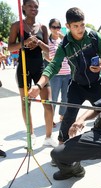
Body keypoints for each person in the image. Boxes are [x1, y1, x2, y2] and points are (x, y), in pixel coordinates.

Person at [28, 7, 101, 148]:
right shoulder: (64, 45)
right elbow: (53, 66)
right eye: (75, 26)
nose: (80, 29)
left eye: (82, 25)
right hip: (77, 85)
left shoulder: (94, 36)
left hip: (96, 83)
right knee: (68, 117)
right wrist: (38, 85)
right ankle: (61, 149)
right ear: (68, 26)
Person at [8, 0, 56, 147]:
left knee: (47, 103)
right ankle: (31, 134)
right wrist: (25, 42)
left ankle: (48, 137)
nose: (33, 8)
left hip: (40, 68)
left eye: (36, 6)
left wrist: (40, 43)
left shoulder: (42, 27)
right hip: (23, 68)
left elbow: (48, 52)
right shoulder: (17, 26)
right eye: (30, 5)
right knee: (26, 104)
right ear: (23, 7)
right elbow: (10, 48)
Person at [44, 18, 71, 130]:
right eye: (54, 27)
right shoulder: (47, 41)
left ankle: (62, 115)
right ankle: (50, 118)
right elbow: (45, 55)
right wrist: (55, 62)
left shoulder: (63, 40)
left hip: (67, 73)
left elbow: (71, 48)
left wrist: (63, 38)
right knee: (53, 98)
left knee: (65, 97)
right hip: (55, 74)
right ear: (50, 28)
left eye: (58, 27)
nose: (56, 29)